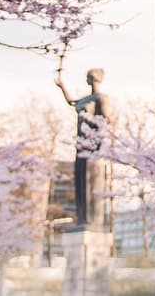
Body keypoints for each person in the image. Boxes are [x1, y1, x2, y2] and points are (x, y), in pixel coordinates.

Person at [56, 68, 111, 227]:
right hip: (80, 144)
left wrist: (100, 143)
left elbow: (106, 120)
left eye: (90, 77)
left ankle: (92, 220)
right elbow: (72, 102)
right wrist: (62, 86)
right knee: (79, 180)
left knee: (91, 182)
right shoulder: (85, 99)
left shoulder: (101, 98)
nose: (88, 80)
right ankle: (81, 218)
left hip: (92, 147)